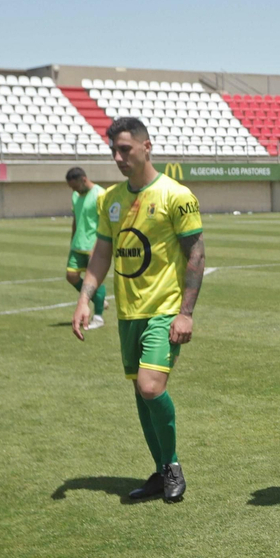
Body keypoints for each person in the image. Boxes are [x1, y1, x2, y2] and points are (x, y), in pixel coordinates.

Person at [71, 117, 204, 503]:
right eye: (113, 150)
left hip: (164, 309)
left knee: (150, 387)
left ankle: (173, 466)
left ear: (147, 147)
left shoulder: (175, 196)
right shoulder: (110, 198)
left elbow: (195, 253)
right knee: (139, 392)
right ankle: (162, 471)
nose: (118, 157)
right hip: (129, 313)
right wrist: (84, 297)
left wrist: (186, 313)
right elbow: (102, 252)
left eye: (125, 149)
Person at [64, 167, 107, 331]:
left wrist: (99, 245)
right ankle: (98, 298)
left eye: (74, 186)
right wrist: (72, 239)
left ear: (83, 179)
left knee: (95, 279)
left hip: (93, 245)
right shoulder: (76, 195)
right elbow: (76, 219)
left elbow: (104, 222)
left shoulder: (100, 194)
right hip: (78, 244)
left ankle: (98, 316)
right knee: (71, 276)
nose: (73, 190)